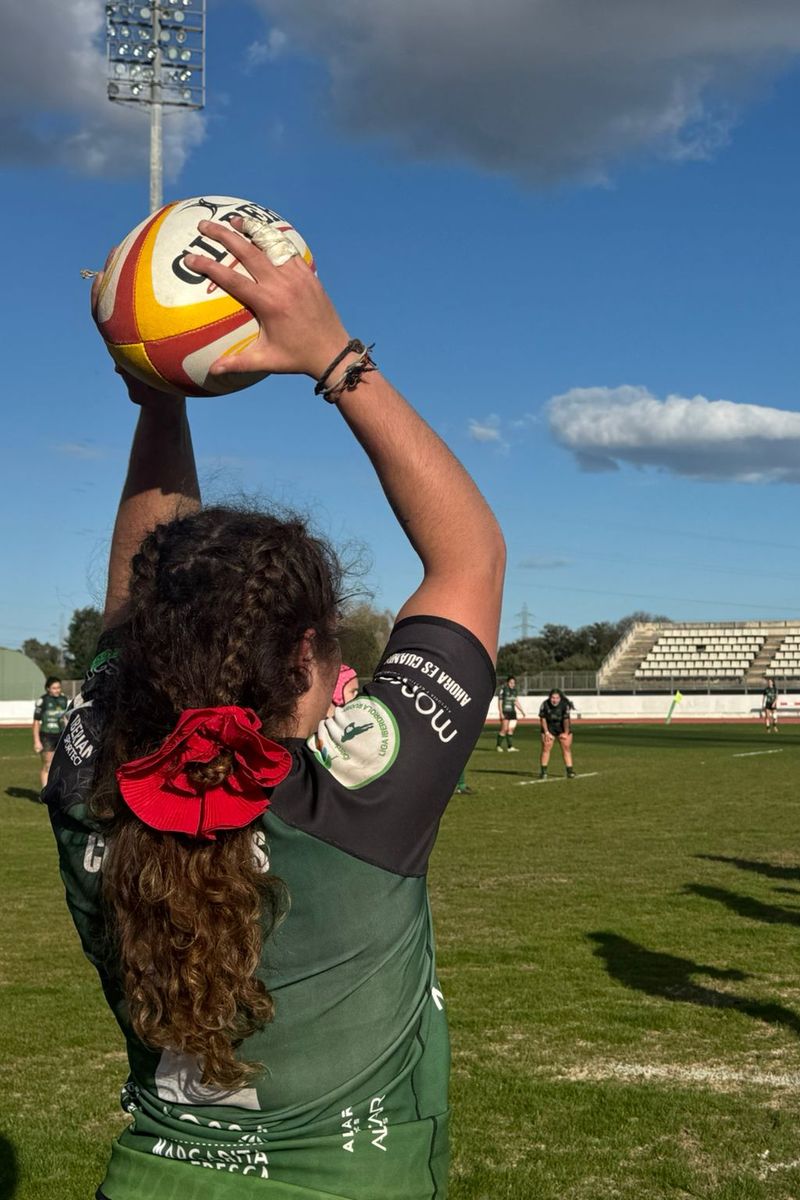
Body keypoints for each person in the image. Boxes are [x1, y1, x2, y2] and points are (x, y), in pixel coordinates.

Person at [44, 213, 504, 1198]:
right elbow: (469, 557)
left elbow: (140, 622)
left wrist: (156, 395)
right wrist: (332, 355)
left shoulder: (87, 767)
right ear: (307, 652)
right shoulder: (364, 800)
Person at [32, 675, 72, 791]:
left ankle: (56, 791)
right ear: (48, 688)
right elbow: (36, 722)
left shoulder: (63, 699)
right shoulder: (42, 701)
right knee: (48, 765)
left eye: (59, 687)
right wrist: (36, 741)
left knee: (60, 765)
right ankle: (45, 793)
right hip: (47, 736)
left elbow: (65, 717)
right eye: (54, 688)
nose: (57, 690)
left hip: (60, 735)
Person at [538, 688, 578, 779]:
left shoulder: (564, 705)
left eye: (557, 698)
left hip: (562, 728)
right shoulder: (544, 704)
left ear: (560, 698)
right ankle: (543, 772)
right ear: (549, 697)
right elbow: (543, 719)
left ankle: (570, 771)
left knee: (566, 748)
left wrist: (566, 733)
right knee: (546, 748)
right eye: (552, 698)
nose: (554, 700)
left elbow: (566, 720)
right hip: (549, 728)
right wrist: (546, 732)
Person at [496, 675, 523, 751]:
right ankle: (498, 746)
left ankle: (510, 747)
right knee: (504, 729)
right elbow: (500, 702)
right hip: (505, 712)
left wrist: (522, 711)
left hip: (513, 713)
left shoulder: (515, 691)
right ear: (508, 683)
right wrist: (501, 712)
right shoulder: (503, 690)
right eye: (511, 682)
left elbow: (516, 702)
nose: (512, 684)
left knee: (511, 730)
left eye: (513, 683)